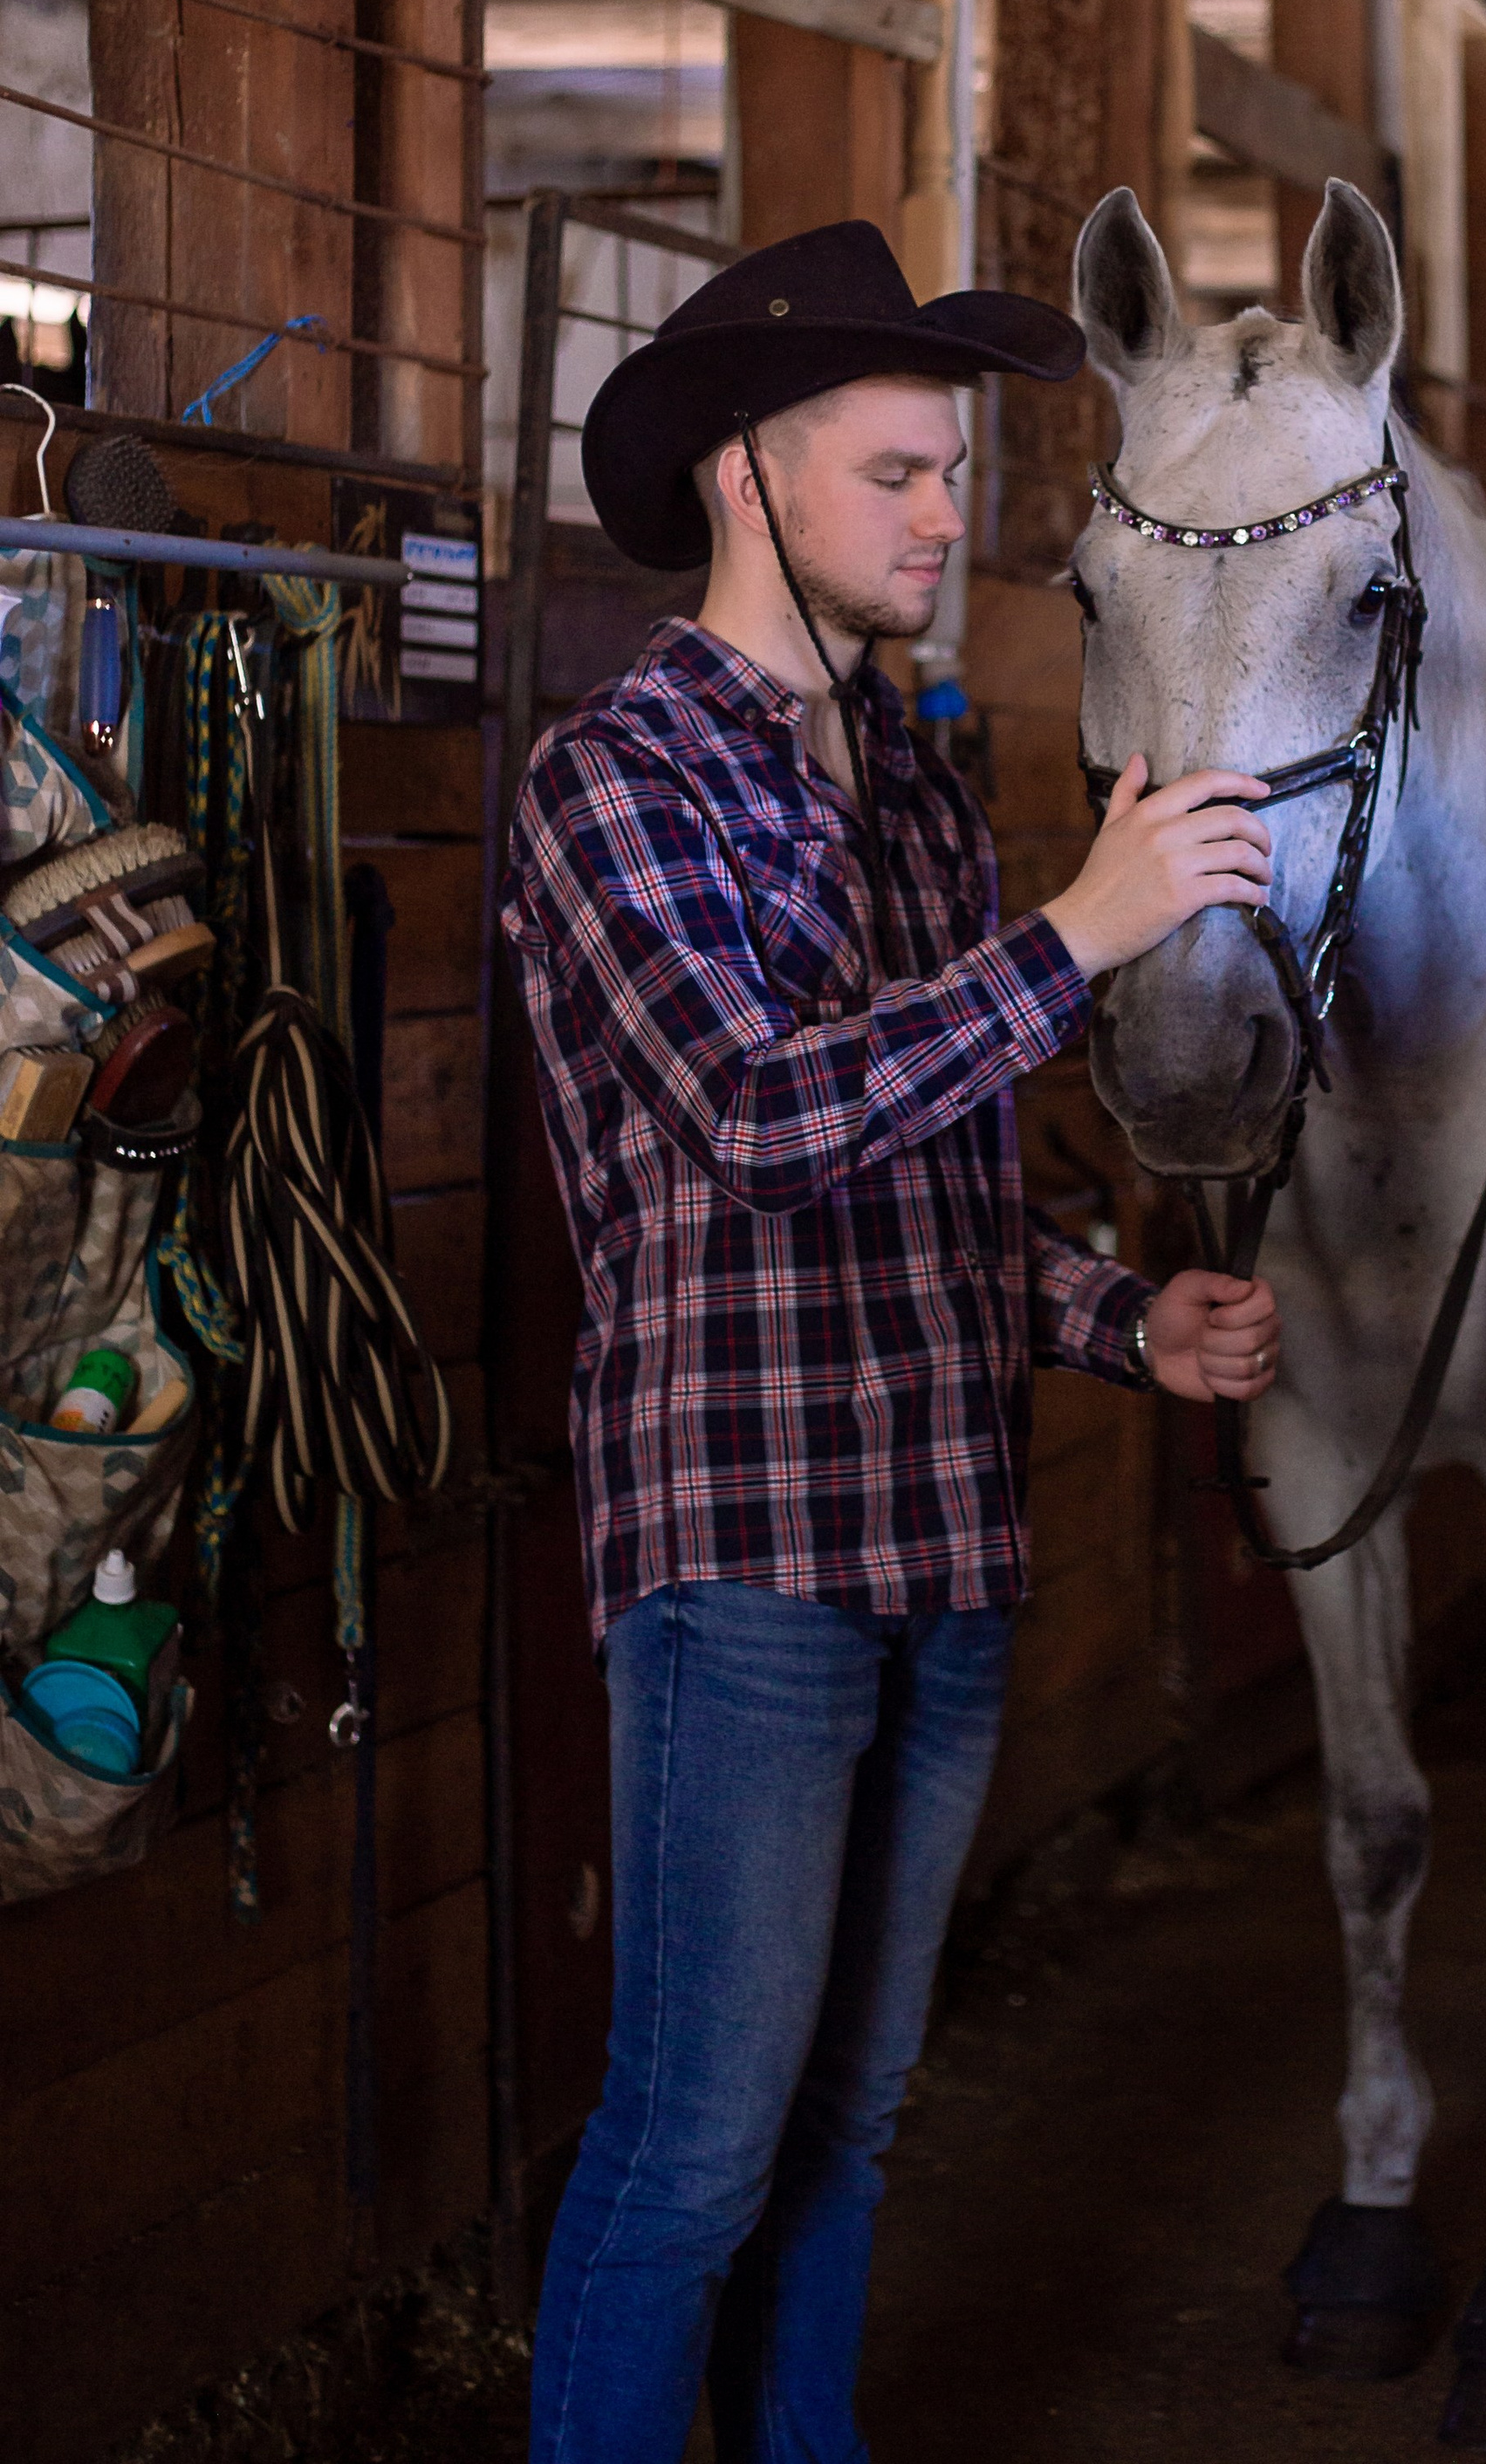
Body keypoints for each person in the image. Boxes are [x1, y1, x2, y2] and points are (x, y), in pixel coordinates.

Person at [502, 215, 1284, 2464]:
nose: (954, 520)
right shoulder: (616, 782)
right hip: (745, 1565)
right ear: (751, 480)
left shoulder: (919, 791)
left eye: (954, 475)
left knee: (850, 2124)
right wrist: (1082, 938)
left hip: (943, 1543)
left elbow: (945, 1201)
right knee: (692, 2151)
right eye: (902, 474)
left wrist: (1133, 1318)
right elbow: (759, 1122)